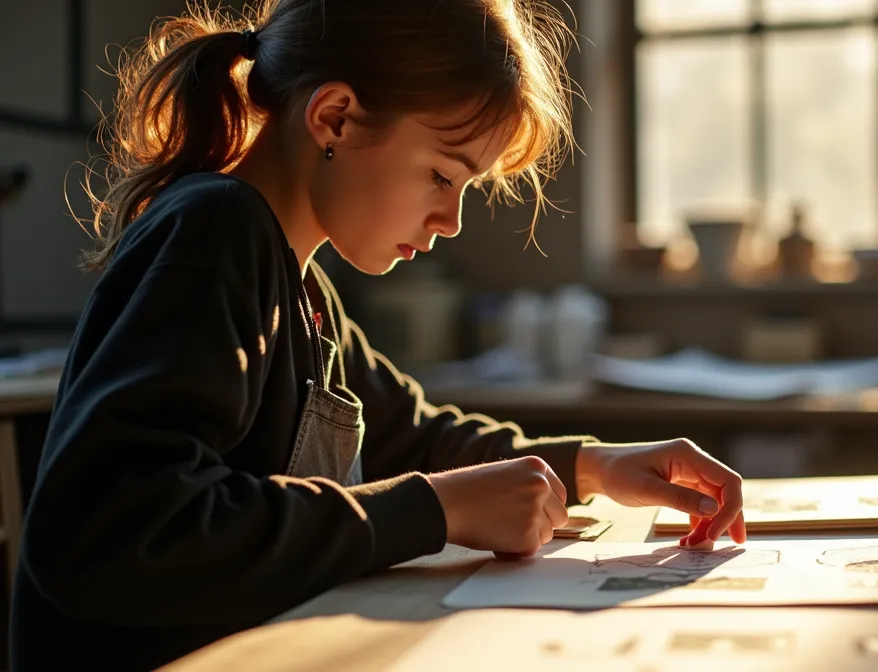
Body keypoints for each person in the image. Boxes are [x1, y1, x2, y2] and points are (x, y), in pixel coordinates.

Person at [10, 1, 745, 669]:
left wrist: (594, 467)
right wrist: (436, 509)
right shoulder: (214, 233)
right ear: (335, 117)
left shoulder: (305, 288)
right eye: (440, 175)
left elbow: (415, 438)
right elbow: (110, 533)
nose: (450, 220)